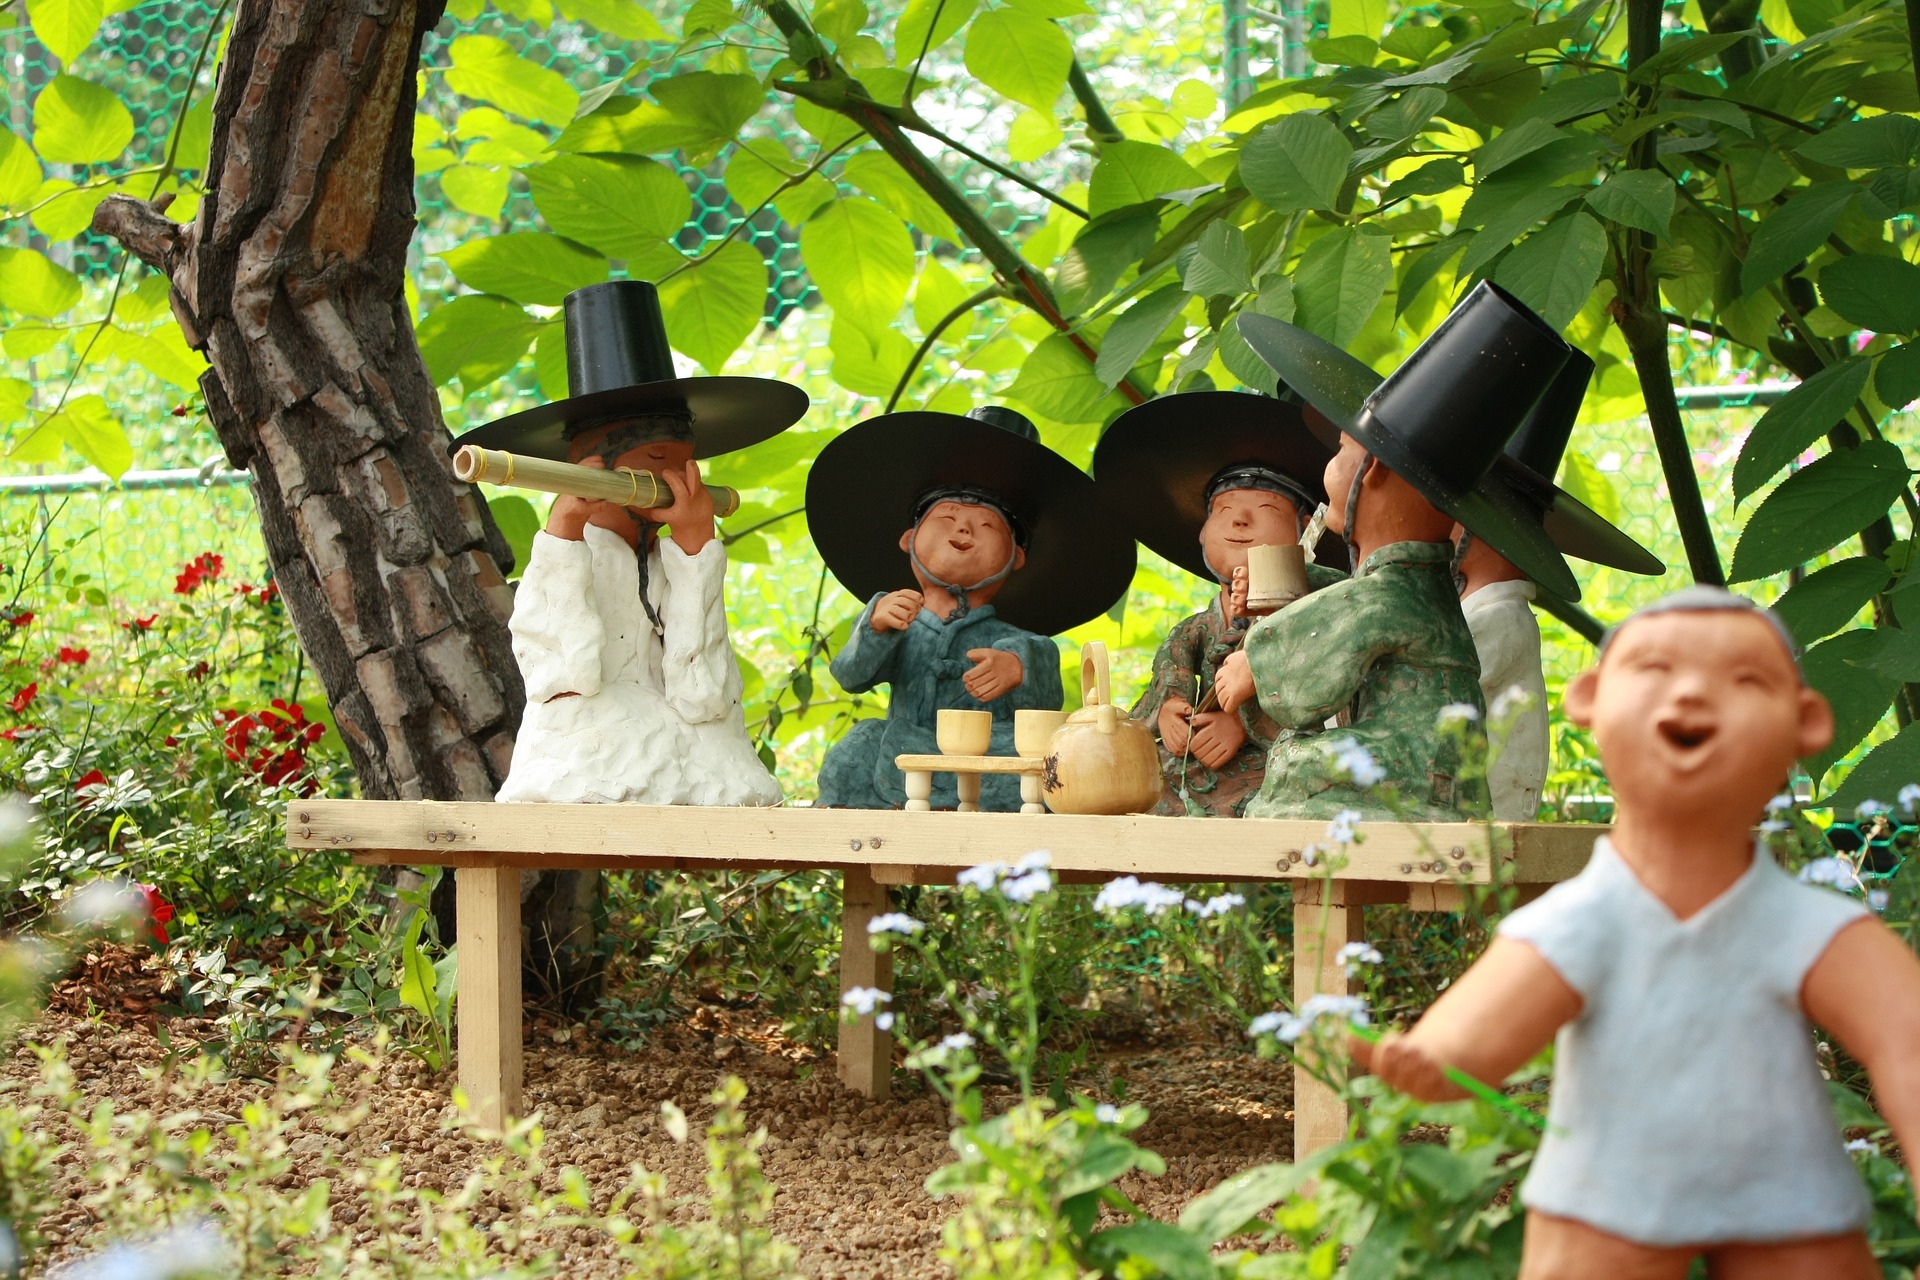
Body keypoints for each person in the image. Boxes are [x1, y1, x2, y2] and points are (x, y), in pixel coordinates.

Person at [1354, 588, 1920, 1280]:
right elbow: (1480, 1036)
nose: (1689, 697)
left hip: (1786, 1192)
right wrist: (1432, 1061)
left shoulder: (1805, 925)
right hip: (1609, 1193)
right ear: (1589, 700)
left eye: (1744, 680)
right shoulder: (1583, 919)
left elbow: (1907, 1043)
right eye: (1653, 671)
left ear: (1806, 723)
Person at [1214, 282, 1588, 820]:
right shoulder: (1415, 590)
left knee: (1295, 761)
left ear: (1377, 471)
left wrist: (1260, 661)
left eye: (1342, 453)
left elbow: (1353, 636)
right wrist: (1294, 587)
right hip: (1423, 761)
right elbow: (1360, 605)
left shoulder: (1480, 614)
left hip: (1434, 774)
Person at [451, 279, 808, 805]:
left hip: (698, 754)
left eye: (689, 460)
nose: (685, 475)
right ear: (589, 470)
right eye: (661, 460)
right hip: (591, 752)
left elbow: (703, 693)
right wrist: (564, 535)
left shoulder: (671, 558)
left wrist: (693, 551)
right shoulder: (568, 554)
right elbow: (563, 676)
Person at [807, 406, 1136, 811]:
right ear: (909, 539)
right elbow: (849, 676)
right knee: (858, 746)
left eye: (986, 526)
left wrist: (1017, 669)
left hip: (983, 760)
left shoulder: (1015, 641)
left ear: (1016, 557)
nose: (963, 529)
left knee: (1043, 760)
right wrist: (875, 628)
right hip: (903, 750)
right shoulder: (896, 619)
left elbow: (1046, 694)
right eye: (946, 517)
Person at [1092, 391, 1344, 816]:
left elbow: (1320, 691)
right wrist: (1172, 712)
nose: (1239, 521)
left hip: (1265, 760)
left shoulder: (1313, 617)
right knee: (1146, 790)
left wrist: (1241, 724)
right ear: (1202, 531)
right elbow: (1171, 675)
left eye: (1263, 509)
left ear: (1306, 530)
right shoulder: (1194, 630)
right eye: (1224, 509)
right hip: (1190, 763)